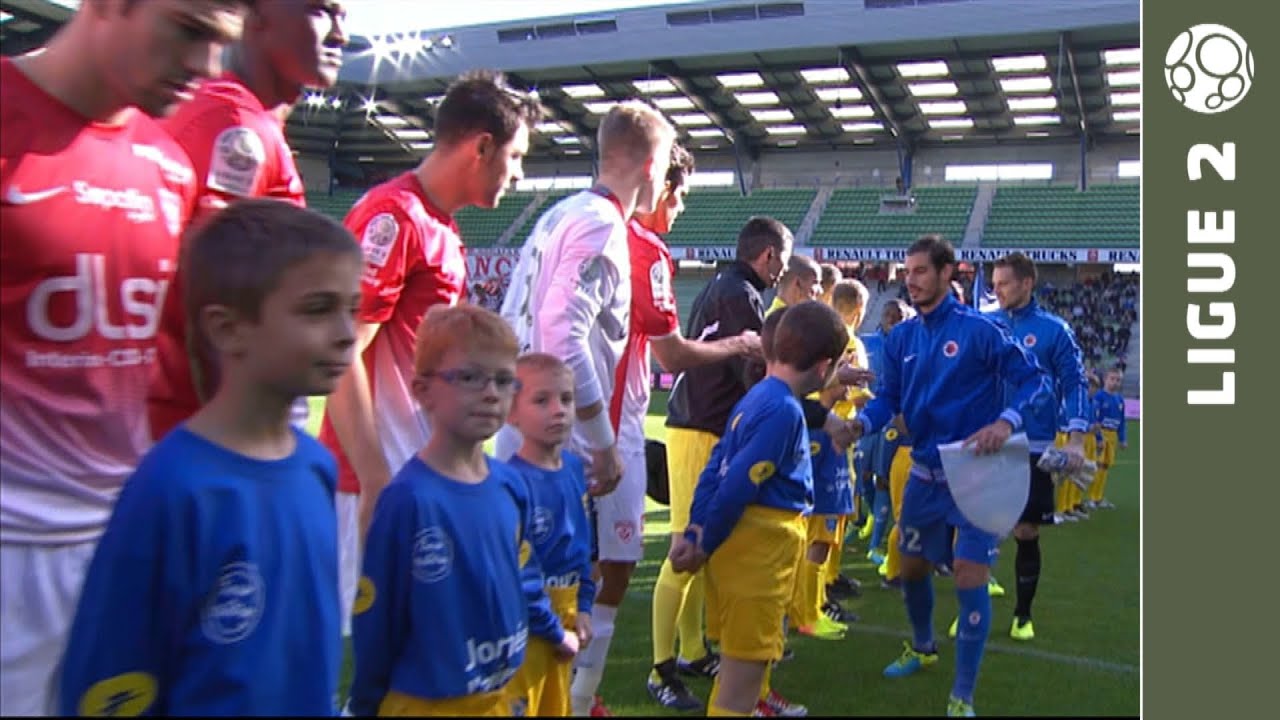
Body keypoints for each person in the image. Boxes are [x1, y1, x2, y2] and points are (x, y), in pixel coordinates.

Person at [0, 2, 247, 715]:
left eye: (221, 44)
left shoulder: (169, 165)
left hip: (130, 548)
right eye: (188, 31)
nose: (206, 69)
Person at [59, 200, 359, 716]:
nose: (346, 333)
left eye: (351, 308)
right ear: (227, 329)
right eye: (317, 309)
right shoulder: (171, 489)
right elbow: (110, 679)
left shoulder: (316, 466)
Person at [319, 70, 541, 642]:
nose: (518, 175)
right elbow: (340, 353)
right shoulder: (394, 218)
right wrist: (373, 478)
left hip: (417, 473)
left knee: (426, 653)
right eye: (515, 157)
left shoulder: (439, 227)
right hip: (379, 481)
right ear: (482, 147)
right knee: (379, 656)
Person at [570, 143, 760, 716]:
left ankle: (578, 693)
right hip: (611, 426)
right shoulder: (643, 245)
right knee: (650, 553)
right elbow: (670, 355)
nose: (678, 211)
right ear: (662, 189)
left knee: (589, 564)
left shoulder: (566, 220)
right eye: (679, 198)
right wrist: (743, 344)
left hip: (558, 421)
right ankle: (596, 689)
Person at [848, 236, 1051, 717]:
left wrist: (1006, 423)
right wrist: (859, 426)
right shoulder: (900, 339)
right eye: (907, 271)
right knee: (911, 565)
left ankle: (962, 694)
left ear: (947, 274)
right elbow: (888, 402)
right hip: (924, 473)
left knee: (968, 573)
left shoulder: (980, 331)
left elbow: (1035, 380)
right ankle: (922, 645)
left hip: (980, 472)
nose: (911, 280)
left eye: (921, 271)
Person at [148, 0, 349, 440]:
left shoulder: (246, 118)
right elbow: (203, 303)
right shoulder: (235, 125)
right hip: (207, 439)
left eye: (343, 17)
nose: (341, 35)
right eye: (322, 11)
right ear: (255, 15)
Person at [349, 304, 549, 717]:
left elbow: (523, 574)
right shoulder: (408, 500)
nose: (491, 392)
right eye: (470, 377)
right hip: (425, 704)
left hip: (499, 697)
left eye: (503, 380)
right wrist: (365, 703)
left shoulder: (510, 484)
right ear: (422, 391)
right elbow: (377, 616)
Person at [670, 301, 849, 717]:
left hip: (744, 551)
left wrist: (697, 529)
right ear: (824, 367)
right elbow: (736, 483)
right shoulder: (783, 411)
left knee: (736, 677)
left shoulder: (757, 397)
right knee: (741, 687)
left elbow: (716, 467)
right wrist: (703, 541)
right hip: (758, 554)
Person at [648, 216, 792, 713]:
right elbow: (750, 369)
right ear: (768, 256)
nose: (785, 273)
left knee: (700, 544)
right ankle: (659, 668)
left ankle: (690, 651)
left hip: (702, 424)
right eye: (785, 263)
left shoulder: (728, 286)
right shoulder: (739, 294)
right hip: (699, 428)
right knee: (686, 546)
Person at [987, 252, 1089, 642]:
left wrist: (1076, 439)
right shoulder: (986, 324)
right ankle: (974, 610)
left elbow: (1075, 383)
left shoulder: (1054, 330)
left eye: (1004, 284)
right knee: (976, 529)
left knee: (1026, 531)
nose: (996, 291)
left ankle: (1022, 614)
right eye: (993, 284)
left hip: (1034, 446)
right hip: (988, 442)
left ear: (1027, 283)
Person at [503, 353, 595, 717]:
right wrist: (555, 631)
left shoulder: (574, 469)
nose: (558, 410)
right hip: (528, 629)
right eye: (542, 401)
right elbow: (516, 577)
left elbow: (583, 548)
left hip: (567, 620)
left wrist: (585, 607)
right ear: (512, 413)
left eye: (566, 399)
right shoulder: (510, 483)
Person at [1089, 369, 1126, 509]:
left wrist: (1123, 438)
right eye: (1112, 379)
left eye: (1118, 380)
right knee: (1097, 466)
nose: (1115, 382)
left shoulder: (1119, 399)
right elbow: (1095, 418)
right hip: (1101, 433)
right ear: (1105, 379)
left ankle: (1099, 497)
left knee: (1105, 467)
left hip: (1113, 436)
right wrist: (1098, 437)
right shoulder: (1098, 397)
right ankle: (1092, 497)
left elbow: (1122, 420)